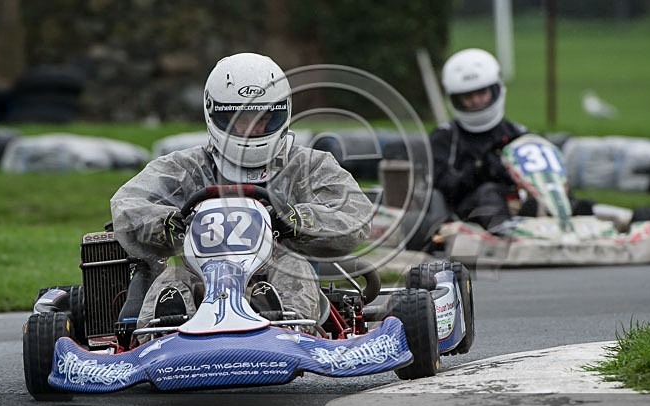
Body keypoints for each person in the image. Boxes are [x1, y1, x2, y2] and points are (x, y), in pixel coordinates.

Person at [110, 52, 373, 331]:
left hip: (278, 270)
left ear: (281, 113)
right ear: (215, 113)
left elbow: (355, 214)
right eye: (239, 117)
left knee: (292, 269)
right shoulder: (186, 167)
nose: (251, 129)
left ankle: (283, 326)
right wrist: (167, 223)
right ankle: (163, 333)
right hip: (202, 276)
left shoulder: (308, 166)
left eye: (263, 117)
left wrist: (299, 220)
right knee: (172, 279)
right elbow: (127, 205)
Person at [429, 48, 528, 236]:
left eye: (481, 93)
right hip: (467, 209)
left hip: (517, 202)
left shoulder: (517, 133)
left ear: (495, 90)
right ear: (456, 99)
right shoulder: (445, 137)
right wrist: (478, 171)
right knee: (489, 191)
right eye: (468, 97)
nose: (476, 102)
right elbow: (442, 186)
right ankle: (504, 233)